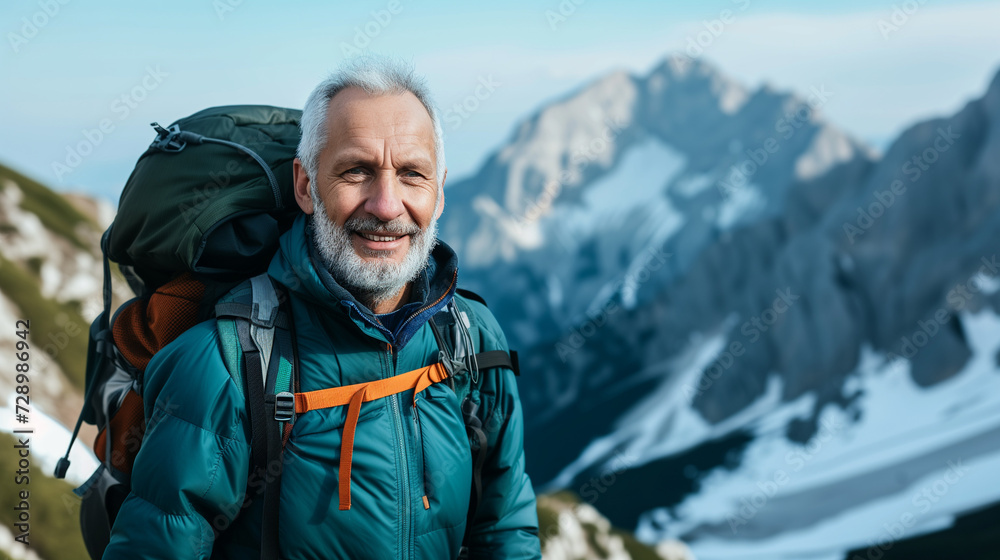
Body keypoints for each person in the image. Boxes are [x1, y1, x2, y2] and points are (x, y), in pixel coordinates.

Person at [103, 56, 541, 559]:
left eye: (412, 174)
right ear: (306, 186)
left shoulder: (470, 334)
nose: (386, 204)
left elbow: (505, 529)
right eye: (357, 171)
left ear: (440, 192)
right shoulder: (227, 363)